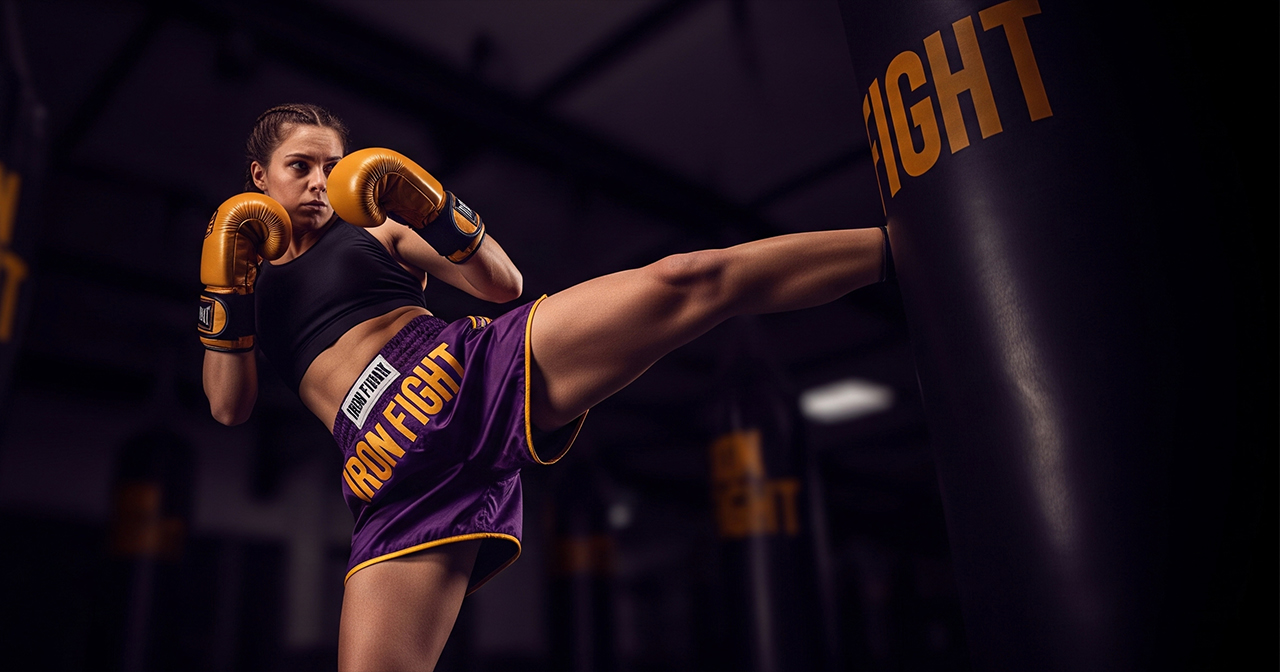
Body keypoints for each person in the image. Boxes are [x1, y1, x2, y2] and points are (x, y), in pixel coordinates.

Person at [199, 103, 889, 672]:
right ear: (260, 176)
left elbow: (503, 284)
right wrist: (223, 289)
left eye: (329, 165)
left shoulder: (375, 230)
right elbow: (229, 406)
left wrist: (430, 206)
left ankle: (901, 247)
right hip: (389, 469)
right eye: (300, 167)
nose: (320, 181)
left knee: (688, 276)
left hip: (461, 372)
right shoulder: (246, 286)